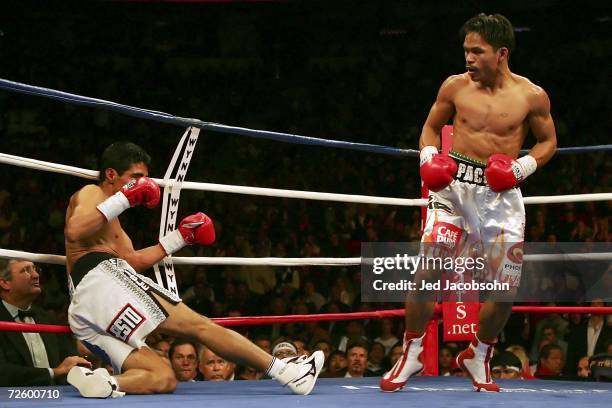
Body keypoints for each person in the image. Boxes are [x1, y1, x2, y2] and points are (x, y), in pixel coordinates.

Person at [381, 13, 557, 393]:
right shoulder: (455, 87)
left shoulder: (530, 95)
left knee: (505, 291)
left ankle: (479, 353)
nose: (469, 59)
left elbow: (548, 143)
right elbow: (429, 128)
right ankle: (411, 352)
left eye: (477, 51)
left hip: (501, 198)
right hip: (453, 191)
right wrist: (429, 159)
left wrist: (521, 167)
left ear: (502, 53)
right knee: (428, 269)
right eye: (466, 51)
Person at [64, 141, 323, 398]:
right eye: (135, 178)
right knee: (199, 326)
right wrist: (125, 196)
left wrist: (181, 237)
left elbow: (132, 261)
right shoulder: (92, 193)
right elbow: (74, 230)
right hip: (100, 279)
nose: (143, 184)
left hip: (88, 304)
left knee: (163, 377)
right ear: (111, 174)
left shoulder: (113, 223)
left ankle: (104, 382)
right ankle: (287, 372)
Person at [0, 259, 90, 386]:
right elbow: (3, 373)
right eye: (25, 270)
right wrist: (55, 372)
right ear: (5, 283)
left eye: (35, 269)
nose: (36, 275)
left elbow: (70, 362)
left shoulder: (49, 320)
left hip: (56, 399)